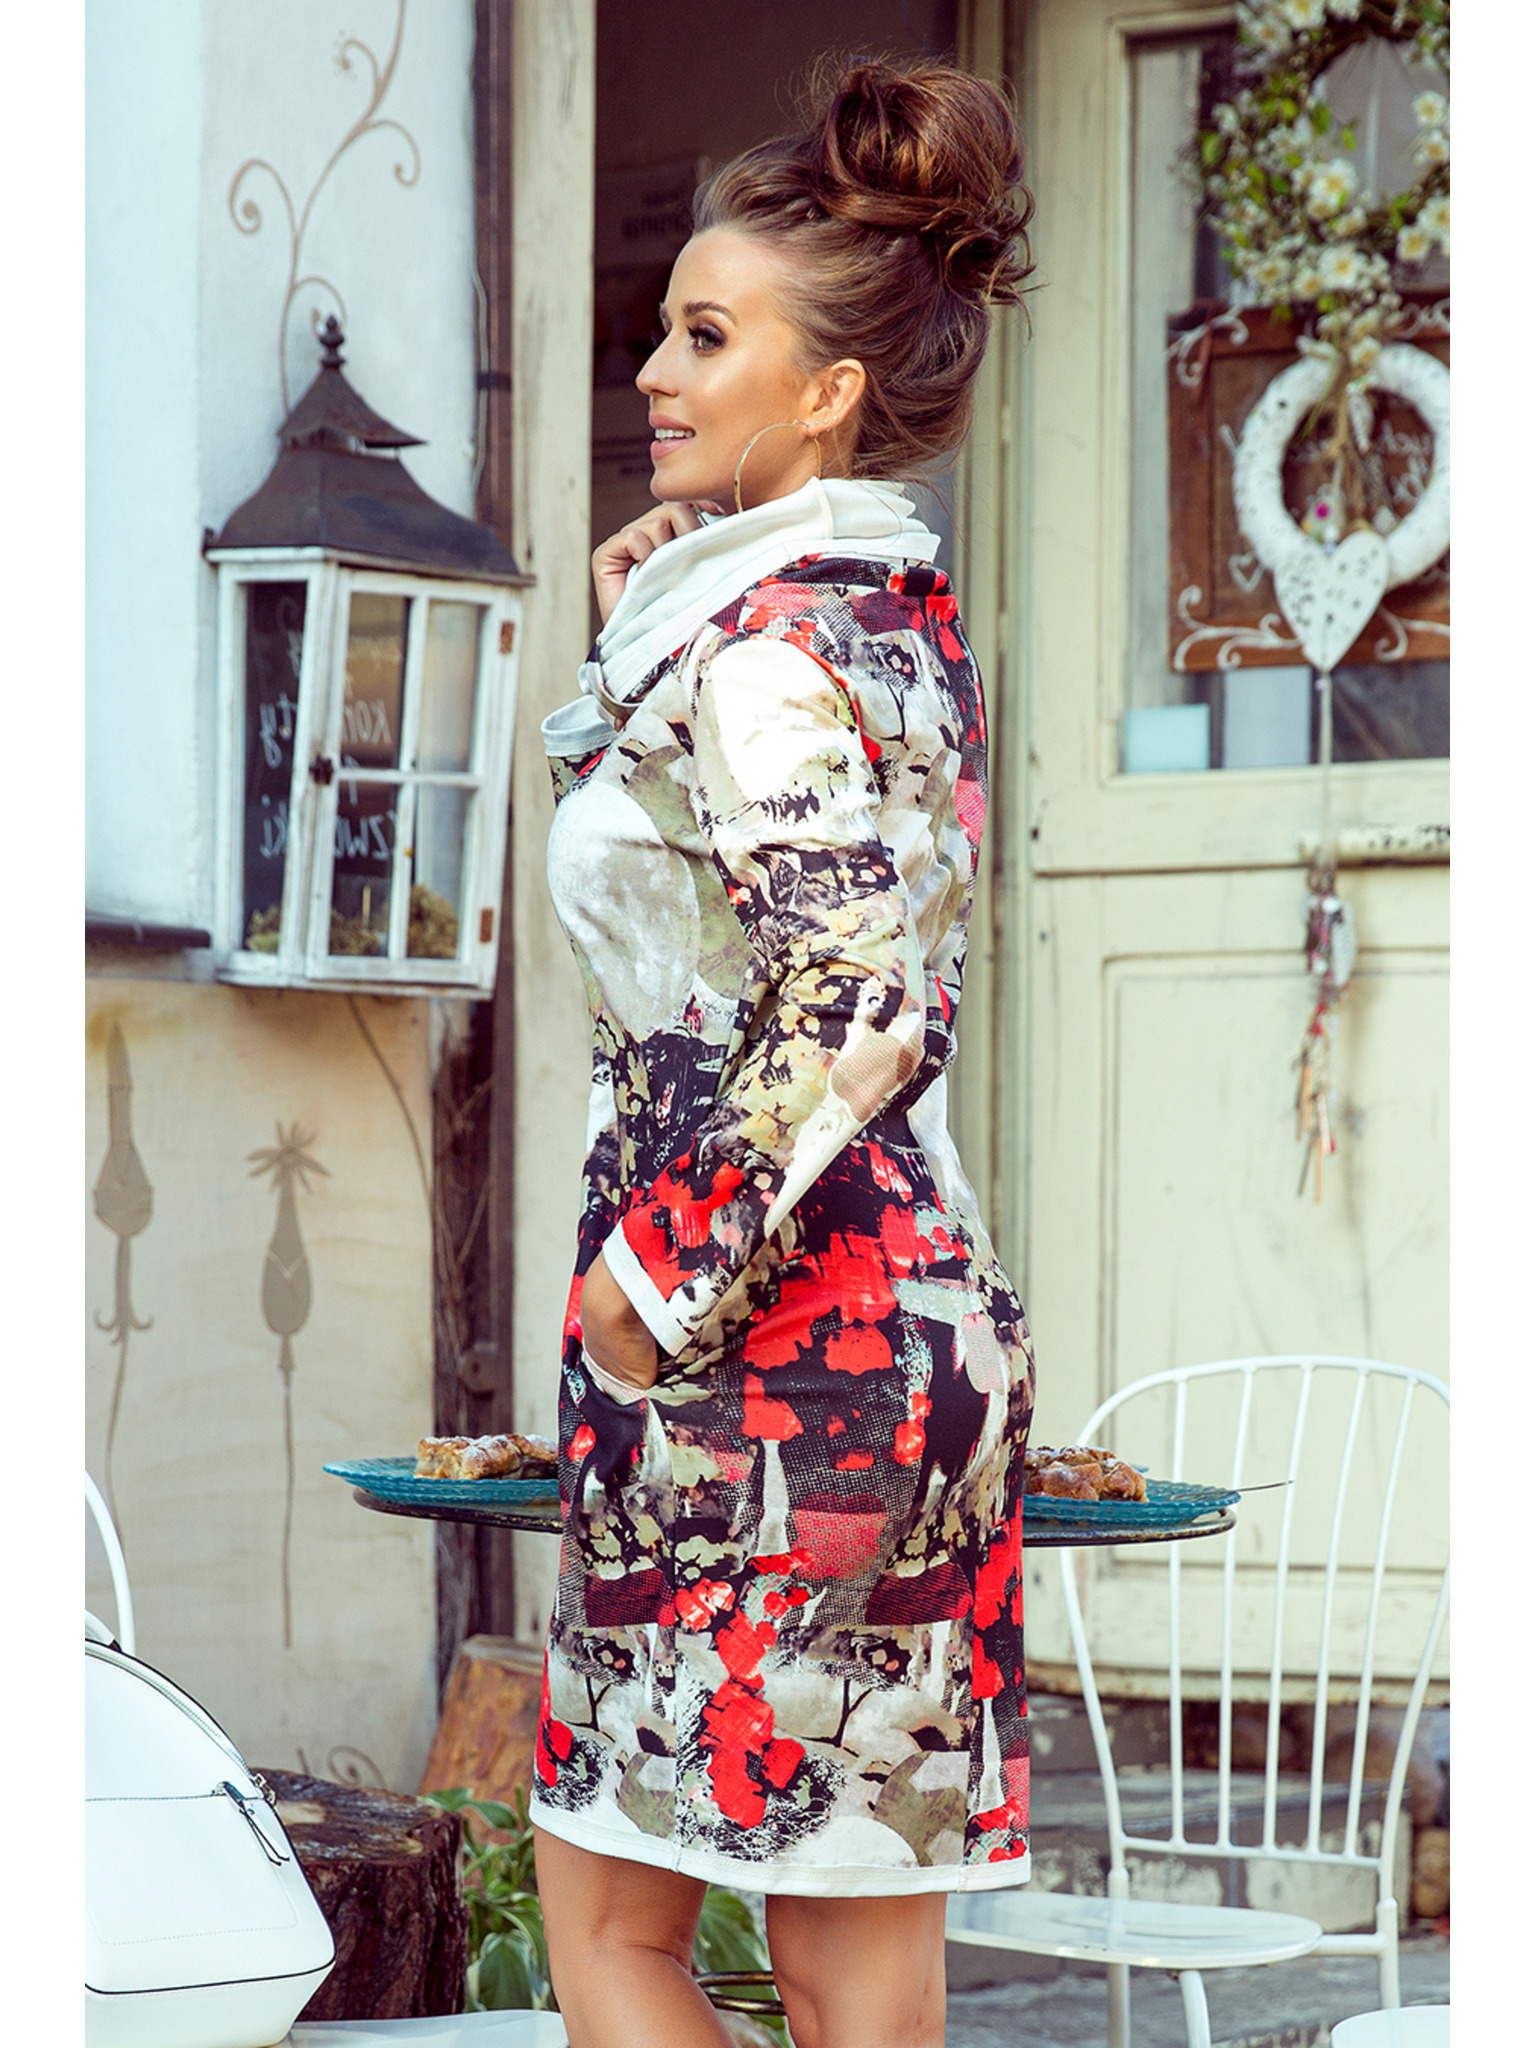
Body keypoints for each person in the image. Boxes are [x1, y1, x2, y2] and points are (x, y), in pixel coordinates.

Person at [530, 56, 1038, 2048]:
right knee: (818, 1969)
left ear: (827, 393)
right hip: (869, 1337)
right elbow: (729, 917)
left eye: (706, 336)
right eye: (665, 328)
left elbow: (853, 999)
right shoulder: (868, 618)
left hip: (770, 1356)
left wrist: (647, 1284)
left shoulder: (762, 653)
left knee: (626, 1935)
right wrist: (640, 637)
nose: (655, 371)